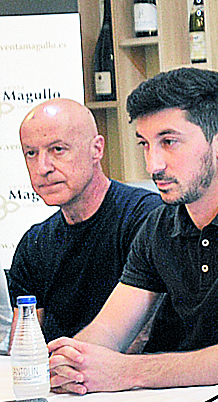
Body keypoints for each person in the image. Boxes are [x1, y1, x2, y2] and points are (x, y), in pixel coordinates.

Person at [48, 67, 218, 394]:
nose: (153, 165)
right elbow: (109, 331)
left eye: (169, 142)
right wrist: (73, 360)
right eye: (145, 145)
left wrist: (129, 372)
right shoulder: (158, 225)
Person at [8, 98, 162, 342]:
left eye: (57, 149)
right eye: (31, 153)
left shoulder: (146, 218)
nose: (42, 167)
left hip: (130, 375)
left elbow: (141, 337)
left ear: (97, 149)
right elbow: (25, 347)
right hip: (60, 374)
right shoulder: (33, 244)